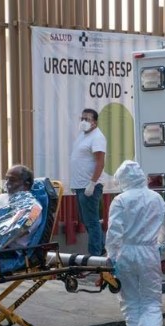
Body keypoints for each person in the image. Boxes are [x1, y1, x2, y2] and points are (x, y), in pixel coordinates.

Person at [105, 160, 165, 326]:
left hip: (125, 253)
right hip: (149, 252)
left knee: (130, 299)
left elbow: (114, 232)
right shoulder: (156, 198)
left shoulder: (120, 200)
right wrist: (160, 243)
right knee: (151, 297)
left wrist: (111, 256)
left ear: (122, 179)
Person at [69, 108, 106, 256]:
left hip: (89, 185)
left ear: (94, 123)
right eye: (82, 118)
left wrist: (92, 183)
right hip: (80, 185)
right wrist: (74, 184)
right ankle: (100, 249)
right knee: (87, 220)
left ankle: (95, 254)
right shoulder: (82, 135)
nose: (83, 121)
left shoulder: (97, 137)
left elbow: (100, 162)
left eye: (87, 119)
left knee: (91, 221)